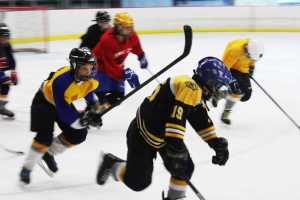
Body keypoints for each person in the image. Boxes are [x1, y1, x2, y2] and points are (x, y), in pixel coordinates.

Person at [96, 57, 231, 200]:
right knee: (138, 182)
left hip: (162, 134)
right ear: (208, 82)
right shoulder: (190, 87)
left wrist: (215, 142)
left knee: (184, 168)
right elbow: (176, 120)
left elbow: (199, 119)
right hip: (142, 135)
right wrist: (177, 150)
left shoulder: (194, 90)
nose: (220, 92)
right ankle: (112, 164)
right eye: (219, 86)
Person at [19, 47, 103, 185]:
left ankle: (49, 153)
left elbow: (87, 92)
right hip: (44, 103)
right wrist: (82, 120)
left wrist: (95, 108)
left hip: (62, 102)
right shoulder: (61, 81)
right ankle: (27, 168)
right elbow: (63, 112)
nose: (89, 72)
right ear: (75, 66)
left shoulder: (86, 78)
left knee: (79, 135)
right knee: (44, 138)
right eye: (84, 69)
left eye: (91, 68)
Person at [92, 12, 148, 114]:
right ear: (118, 27)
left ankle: (100, 109)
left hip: (116, 67)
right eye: (126, 27)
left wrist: (141, 56)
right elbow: (109, 67)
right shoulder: (107, 40)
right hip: (99, 68)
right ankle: (92, 111)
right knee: (100, 94)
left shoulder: (131, 35)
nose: (130, 30)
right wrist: (125, 73)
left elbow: (135, 46)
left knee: (119, 96)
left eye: (130, 27)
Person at [221, 38, 264, 125]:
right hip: (232, 67)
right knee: (237, 90)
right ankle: (225, 111)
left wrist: (251, 68)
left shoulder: (255, 49)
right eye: (248, 56)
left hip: (243, 69)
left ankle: (221, 94)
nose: (250, 58)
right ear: (246, 49)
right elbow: (224, 68)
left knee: (246, 96)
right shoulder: (234, 51)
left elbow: (253, 60)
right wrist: (229, 82)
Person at [0, 23, 18, 118]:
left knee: (6, 83)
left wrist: (13, 71)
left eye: (7, 38)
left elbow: (11, 59)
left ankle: (1, 106)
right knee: (5, 80)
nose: (6, 40)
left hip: (1, 70)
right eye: (3, 37)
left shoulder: (7, 45)